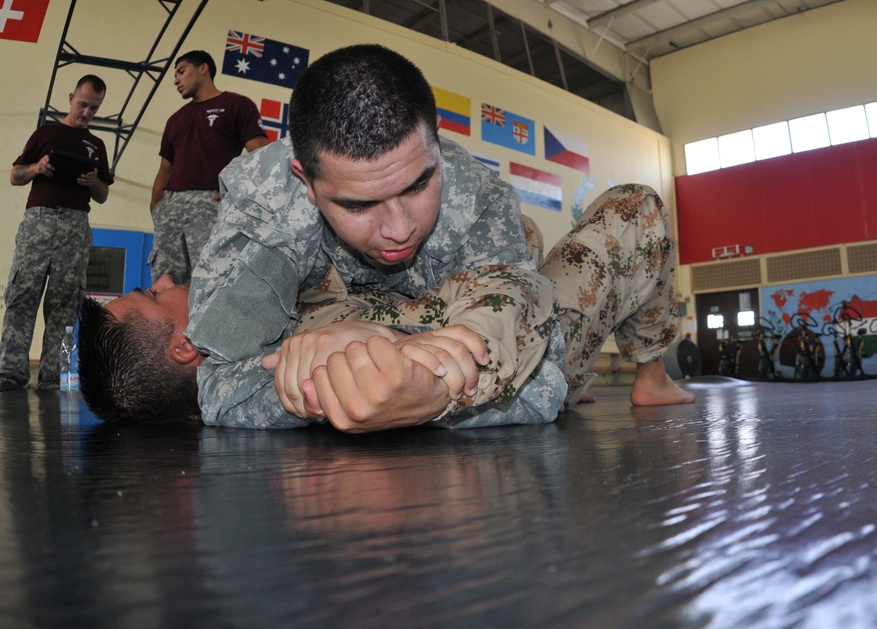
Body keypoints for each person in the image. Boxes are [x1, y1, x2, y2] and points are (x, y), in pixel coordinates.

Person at [78, 44, 694, 429]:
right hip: (406, 317)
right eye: (357, 202)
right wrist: (369, 366)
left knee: (615, 214)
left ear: (436, 150)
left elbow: (530, 338)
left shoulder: (476, 191)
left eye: (418, 184)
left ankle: (652, 373)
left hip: (479, 317)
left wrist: (435, 386)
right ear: (306, 179)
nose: (398, 228)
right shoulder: (261, 205)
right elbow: (219, 382)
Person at [0, 75, 113, 392]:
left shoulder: (97, 145)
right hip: (39, 220)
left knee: (64, 303)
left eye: (94, 108)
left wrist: (92, 180)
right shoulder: (45, 133)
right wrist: (39, 168)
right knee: (21, 295)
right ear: (70, 98)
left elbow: (103, 194)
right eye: (82, 105)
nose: (87, 113)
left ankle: (52, 375)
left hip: (75, 226)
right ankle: (10, 372)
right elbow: (15, 176)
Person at [149, 50, 267, 283]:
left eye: (181, 72)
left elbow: (260, 156)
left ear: (203, 69)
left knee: (210, 281)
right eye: (175, 75)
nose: (176, 80)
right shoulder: (176, 119)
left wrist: (237, 196)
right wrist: (157, 208)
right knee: (165, 283)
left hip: (210, 205)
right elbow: (165, 169)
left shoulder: (237, 105)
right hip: (170, 208)